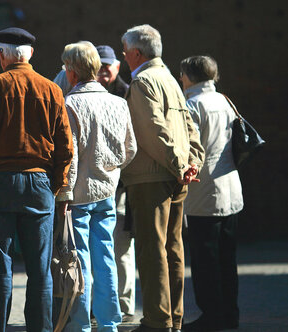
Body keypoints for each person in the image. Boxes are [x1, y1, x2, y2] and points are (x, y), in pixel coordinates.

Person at [0, 27, 74, 332]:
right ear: (31, 54)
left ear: (2, 55)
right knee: (40, 271)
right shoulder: (51, 89)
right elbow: (66, 146)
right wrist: (55, 184)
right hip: (39, 183)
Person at [120, 24, 205, 332]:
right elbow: (187, 124)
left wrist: (180, 164)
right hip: (177, 175)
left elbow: (152, 131)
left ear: (136, 53)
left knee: (151, 249)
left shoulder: (142, 81)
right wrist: (191, 162)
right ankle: (174, 318)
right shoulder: (169, 78)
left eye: (125, 52)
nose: (124, 57)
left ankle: (158, 321)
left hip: (151, 177)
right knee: (173, 249)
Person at [58, 41, 137, 332]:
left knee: (79, 261)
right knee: (106, 257)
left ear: (73, 71)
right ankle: (109, 323)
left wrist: (65, 192)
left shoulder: (69, 104)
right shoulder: (119, 102)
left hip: (77, 195)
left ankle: (80, 324)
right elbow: (130, 149)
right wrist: (111, 172)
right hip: (107, 191)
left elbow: (70, 156)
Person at [179, 56, 243, 332]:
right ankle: (230, 314)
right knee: (228, 259)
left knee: (205, 261)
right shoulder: (224, 101)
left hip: (204, 194)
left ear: (190, 77)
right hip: (231, 188)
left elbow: (190, 149)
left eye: (182, 74)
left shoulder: (192, 105)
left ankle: (212, 316)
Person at [95, 44, 136, 322]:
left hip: (120, 187)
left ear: (117, 66)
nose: (104, 70)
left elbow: (131, 144)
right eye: (99, 65)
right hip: (97, 186)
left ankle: (124, 305)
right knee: (100, 248)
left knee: (120, 248)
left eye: (108, 65)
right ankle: (103, 305)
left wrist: (116, 172)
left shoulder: (128, 93)